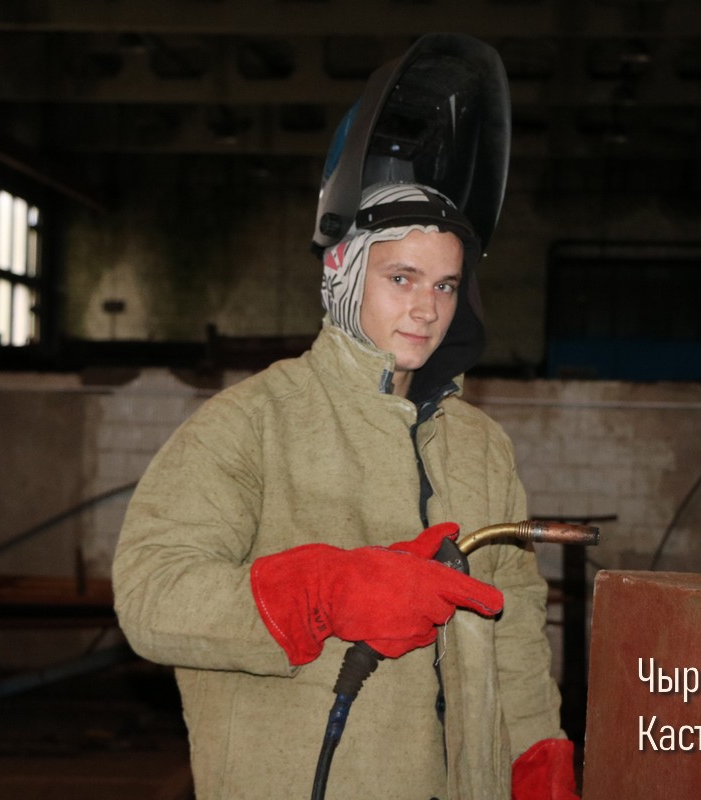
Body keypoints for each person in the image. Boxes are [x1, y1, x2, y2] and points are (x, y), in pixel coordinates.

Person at [114, 34, 579, 799]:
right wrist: (323, 594)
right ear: (345, 270)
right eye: (402, 278)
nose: (426, 309)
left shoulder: (481, 445)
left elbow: (516, 623)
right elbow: (151, 598)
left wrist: (537, 757)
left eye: (445, 285)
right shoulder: (249, 424)